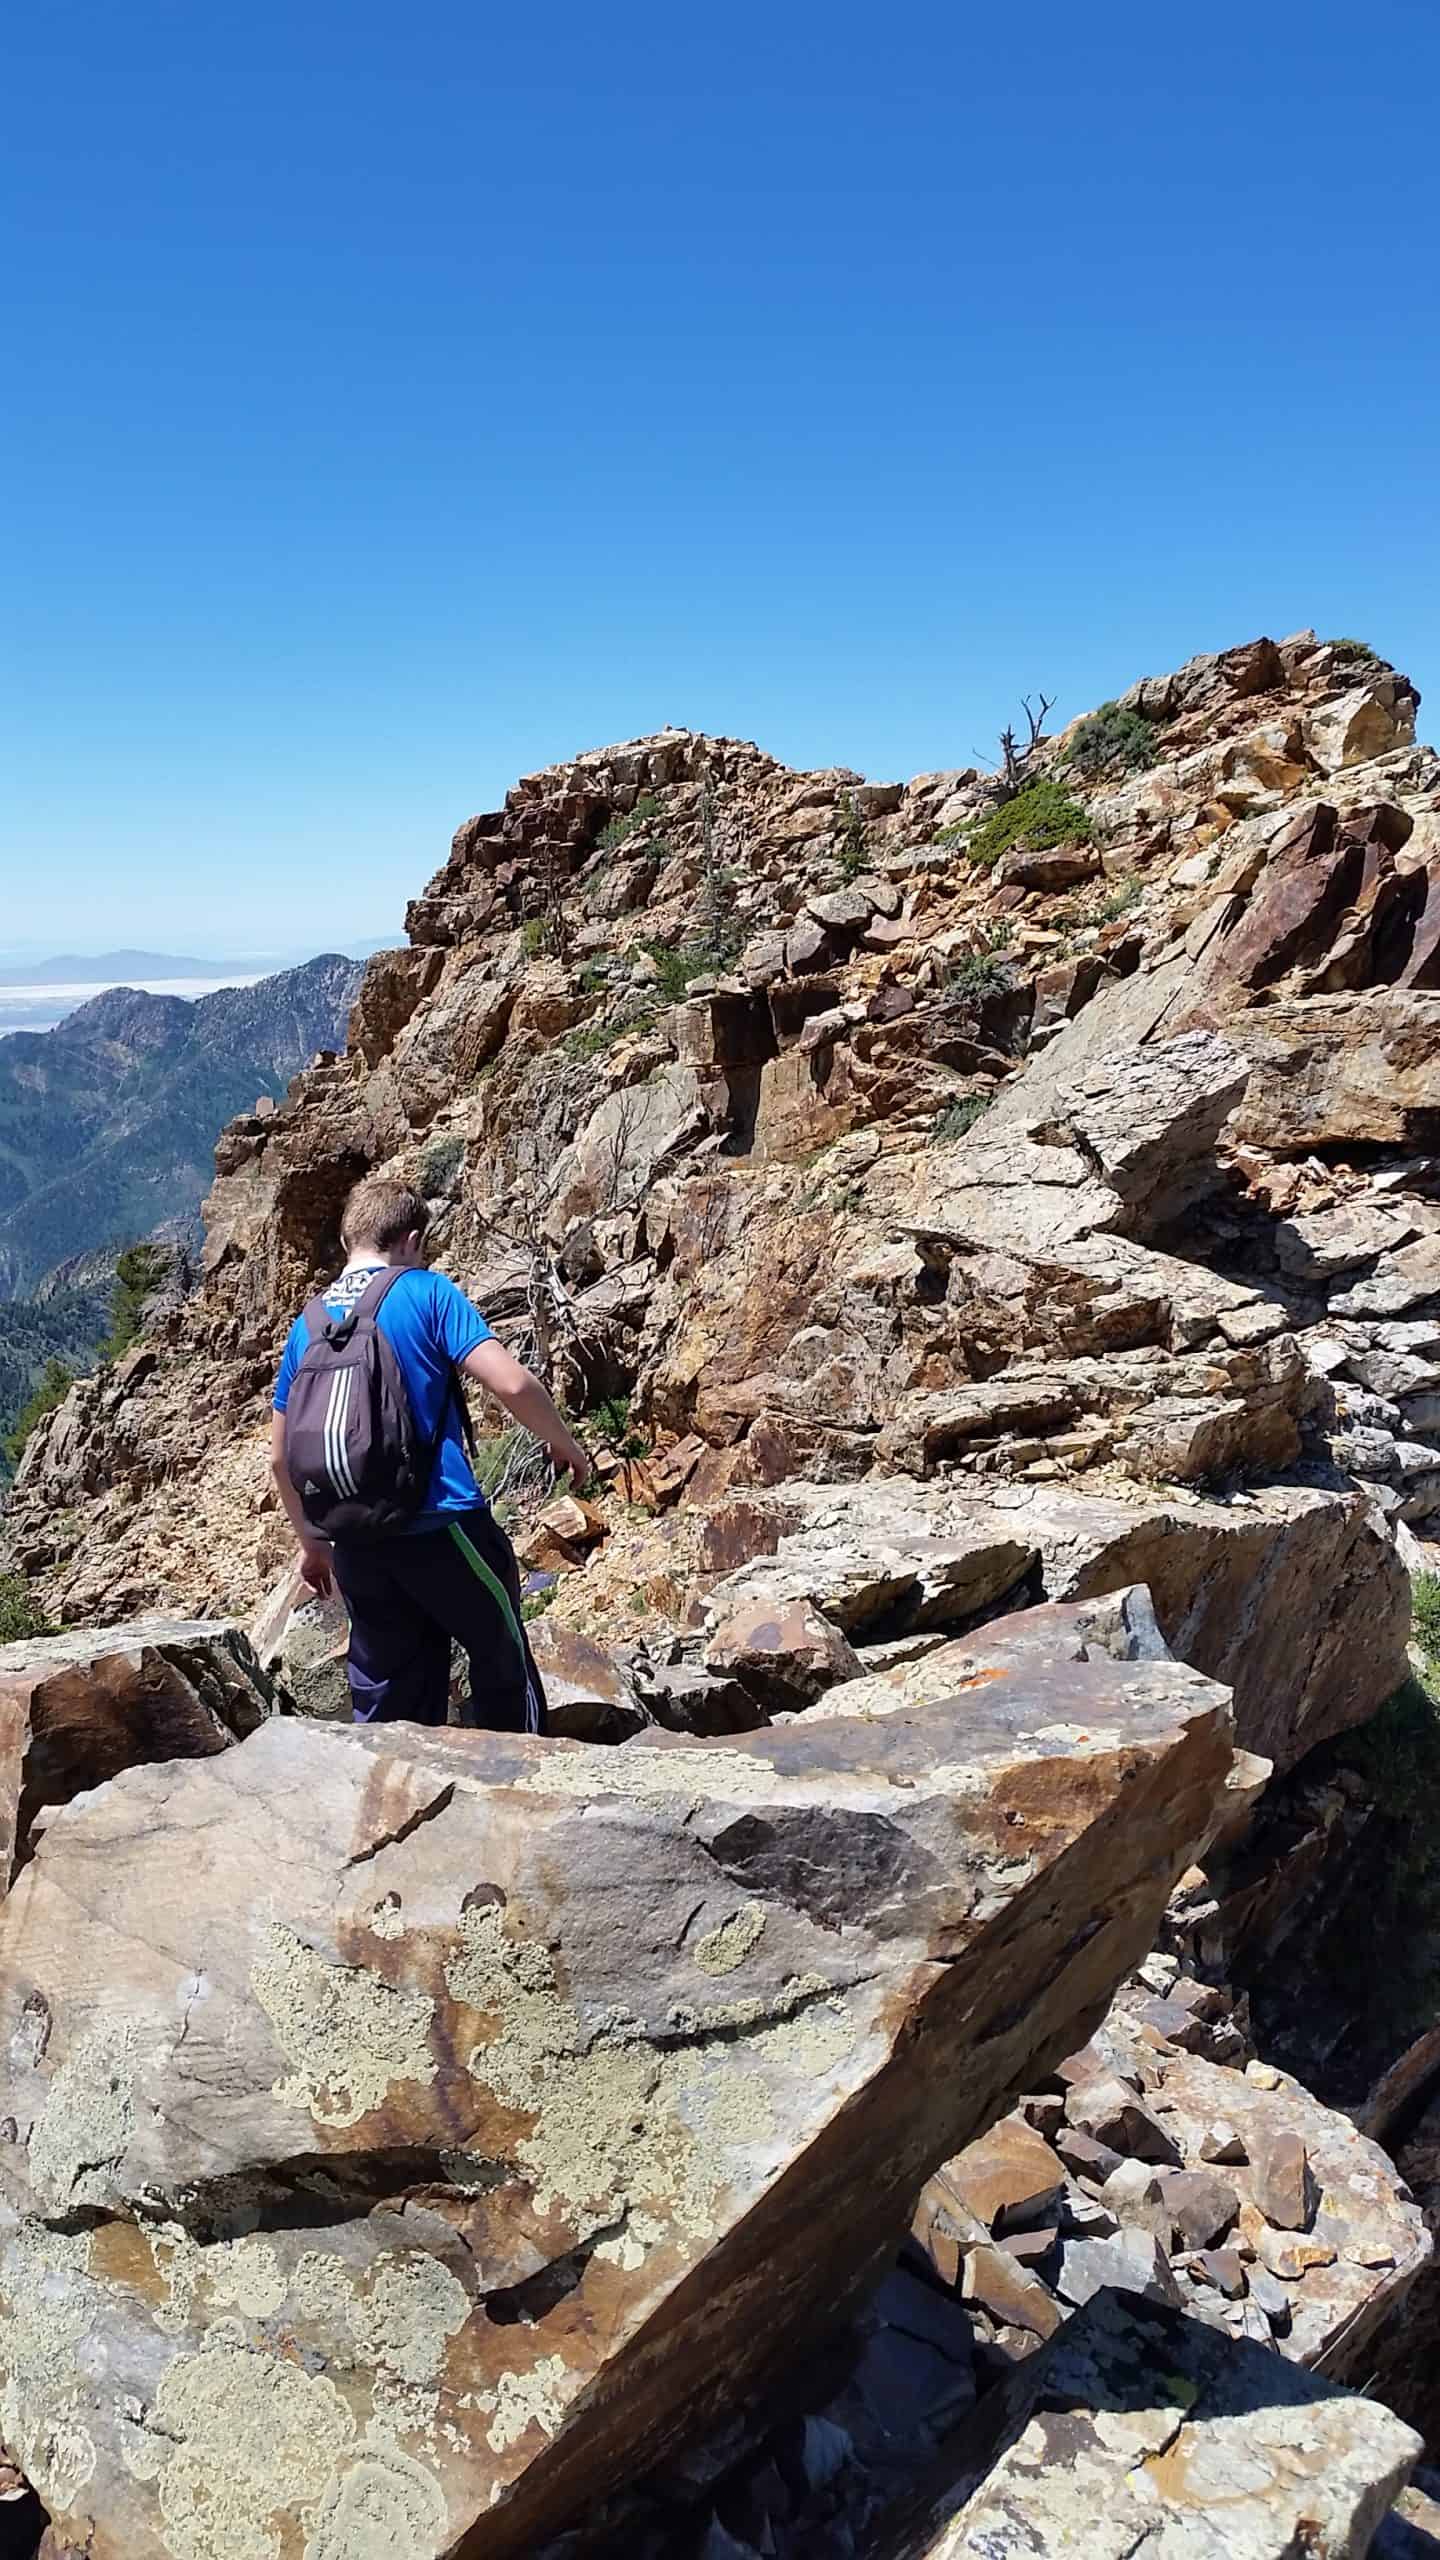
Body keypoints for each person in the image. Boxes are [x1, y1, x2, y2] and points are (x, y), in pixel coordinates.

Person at [269, 1175, 589, 1733]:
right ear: (412, 1240)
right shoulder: (427, 1291)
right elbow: (511, 1385)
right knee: (501, 1662)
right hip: (443, 1524)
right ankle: (520, 1795)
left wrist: (313, 1544)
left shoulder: (309, 1323)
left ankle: (390, 1809)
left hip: (355, 1541)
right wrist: (565, 1444)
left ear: (349, 1242)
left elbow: (279, 1458)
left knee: (388, 1696)